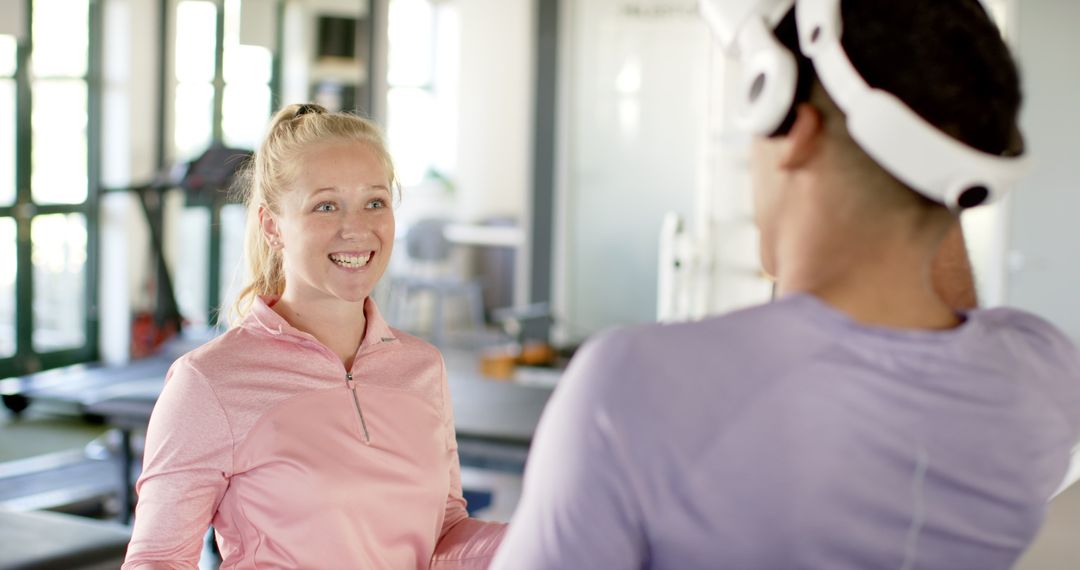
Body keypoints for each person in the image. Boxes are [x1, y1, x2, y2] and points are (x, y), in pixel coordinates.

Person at [492, 1, 1080, 568]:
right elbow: (942, 305)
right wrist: (924, 175)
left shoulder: (635, 387)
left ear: (793, 127)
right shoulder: (1041, 372)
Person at [123, 103, 505, 568]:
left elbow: (442, 530)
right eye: (326, 206)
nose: (357, 227)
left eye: (375, 202)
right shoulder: (209, 382)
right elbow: (158, 560)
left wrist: (535, 542)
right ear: (271, 225)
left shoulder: (422, 366)